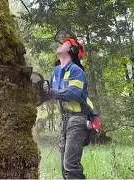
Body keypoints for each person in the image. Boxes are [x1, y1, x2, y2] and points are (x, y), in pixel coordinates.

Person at [43, 38, 101, 179]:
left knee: (71, 166)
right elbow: (46, 91)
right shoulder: (56, 72)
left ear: (72, 50)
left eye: (65, 43)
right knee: (65, 167)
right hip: (65, 121)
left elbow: (73, 93)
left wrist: (51, 92)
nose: (60, 44)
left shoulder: (76, 71)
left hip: (78, 119)